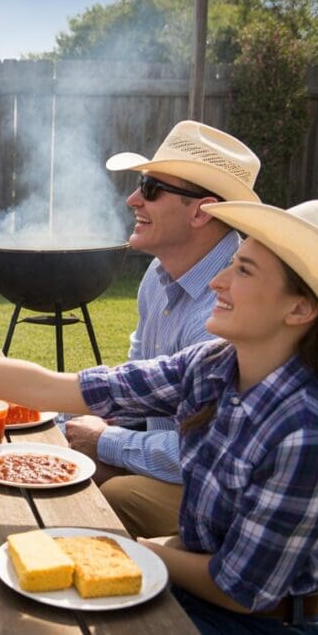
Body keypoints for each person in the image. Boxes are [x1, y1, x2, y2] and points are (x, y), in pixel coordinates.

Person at [0, 198, 318, 634]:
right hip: (195, 576)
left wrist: (101, 543)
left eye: (242, 269)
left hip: (254, 623)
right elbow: (60, 388)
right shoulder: (214, 366)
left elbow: (240, 590)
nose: (218, 283)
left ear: (300, 309)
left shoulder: (309, 431)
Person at [62, 120, 261, 538]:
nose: (133, 199)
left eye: (151, 189)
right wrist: (61, 414)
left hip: (223, 488)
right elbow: (139, 384)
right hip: (172, 456)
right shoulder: (158, 274)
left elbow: (207, 452)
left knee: (116, 495)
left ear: (200, 211)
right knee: (60, 461)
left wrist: (105, 440)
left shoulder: (234, 305)